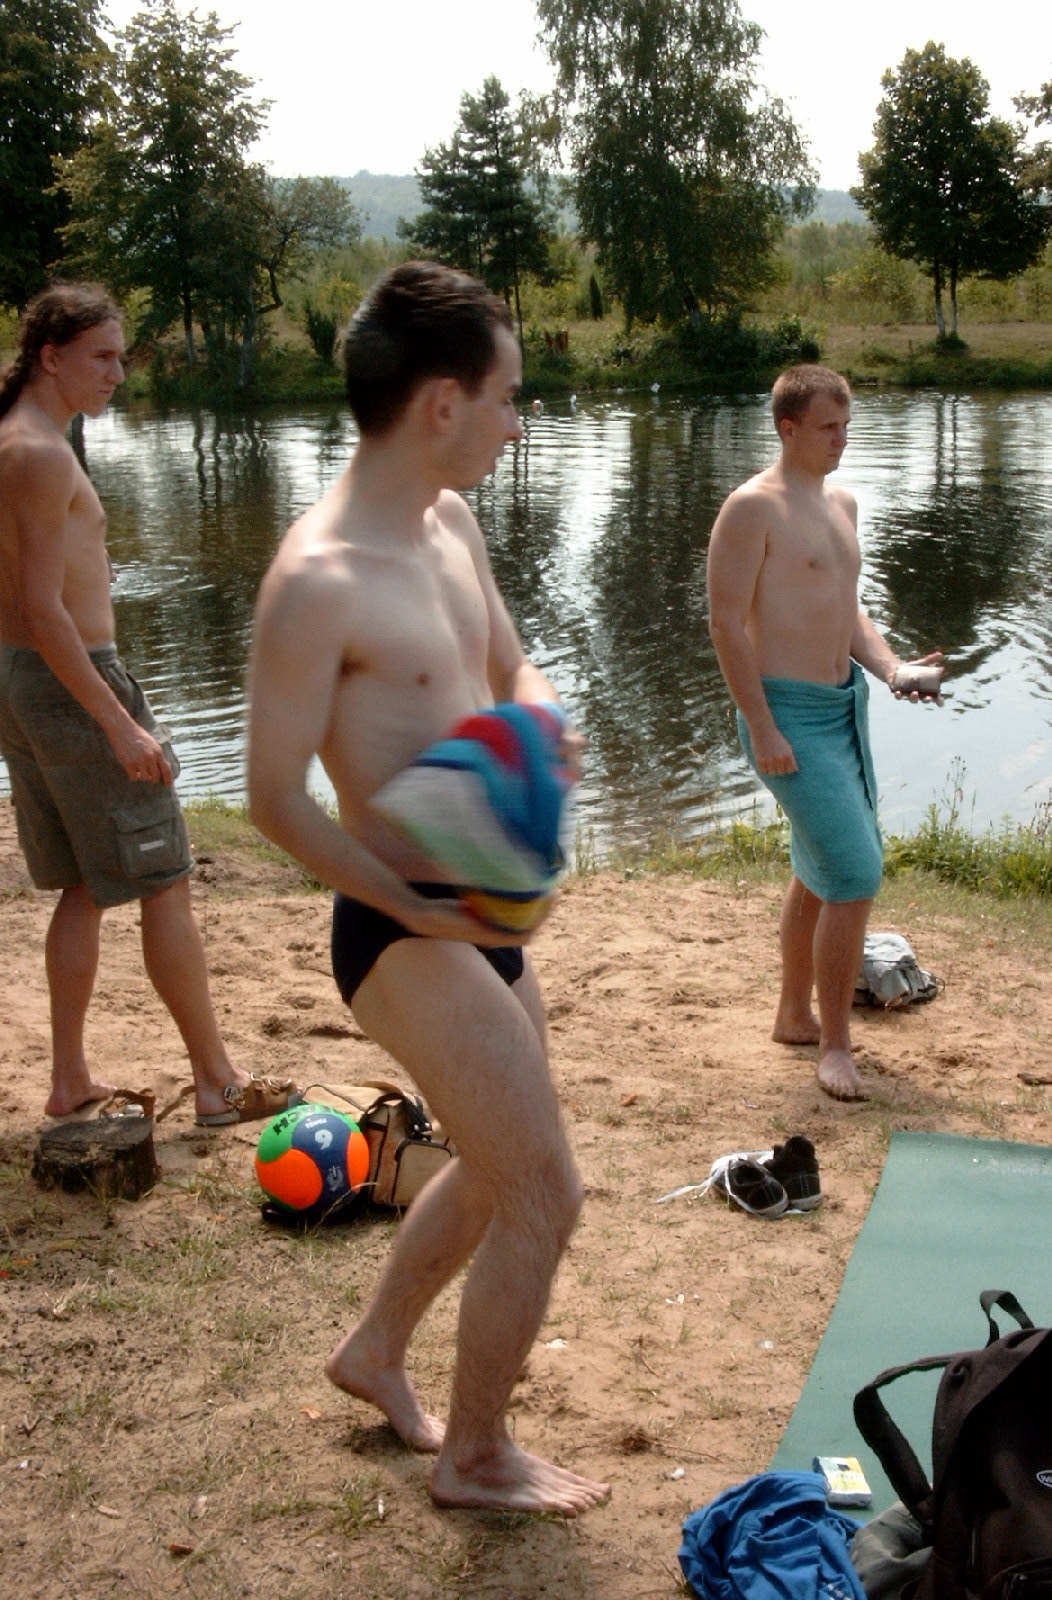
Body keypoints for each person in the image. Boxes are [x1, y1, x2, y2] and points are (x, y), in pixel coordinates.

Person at [246, 261, 609, 1517]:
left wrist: (542, 741)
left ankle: (375, 1349)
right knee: (547, 1186)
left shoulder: (451, 523)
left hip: (481, 913)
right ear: (443, 403)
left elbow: (513, 665)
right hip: (399, 929)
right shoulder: (318, 580)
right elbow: (275, 799)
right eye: (509, 397)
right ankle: (476, 1454)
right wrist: (410, 905)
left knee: (501, 1163)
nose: (519, 421)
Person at [0, 283, 295, 1126]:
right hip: (72, 683)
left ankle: (69, 1079)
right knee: (165, 879)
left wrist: (90, 574)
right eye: (102, 357)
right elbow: (45, 607)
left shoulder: (14, 437)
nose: (118, 374)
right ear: (50, 356)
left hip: (19, 681)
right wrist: (120, 722)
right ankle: (216, 1083)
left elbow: (30, 588)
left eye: (121, 357)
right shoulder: (40, 451)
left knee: (84, 886)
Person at [706, 364, 943, 1102]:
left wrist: (893, 668)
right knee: (855, 871)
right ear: (789, 428)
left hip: (843, 709)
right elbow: (725, 625)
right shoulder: (751, 508)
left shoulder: (842, 502)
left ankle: (793, 1016)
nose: (842, 439)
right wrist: (762, 726)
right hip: (784, 714)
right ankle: (836, 1047)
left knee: (819, 871)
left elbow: (846, 609)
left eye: (846, 425)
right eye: (827, 428)